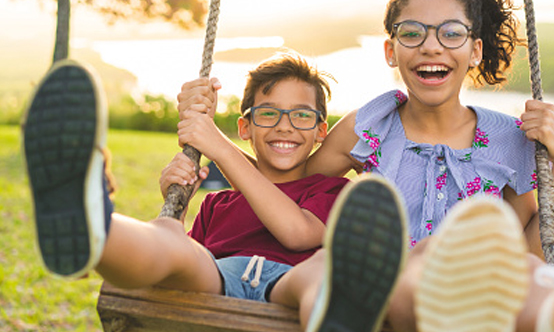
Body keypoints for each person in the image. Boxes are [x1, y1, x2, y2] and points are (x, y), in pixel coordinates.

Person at [179, 0, 554, 332]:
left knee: (523, 261)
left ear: (474, 50)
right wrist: (200, 156)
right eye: (412, 33)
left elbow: (534, 237)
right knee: (413, 280)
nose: (431, 46)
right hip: (398, 289)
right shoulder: (370, 125)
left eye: (450, 34)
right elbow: (291, 179)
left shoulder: (514, 140)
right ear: (391, 50)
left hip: (484, 286)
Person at [22, 54, 407, 329]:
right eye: (268, 113)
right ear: (245, 128)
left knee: (326, 270)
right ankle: (95, 227)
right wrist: (177, 204)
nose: (285, 126)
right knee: (171, 239)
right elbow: (183, 265)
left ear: (321, 132)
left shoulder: (333, 190)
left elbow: (298, 232)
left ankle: (334, 315)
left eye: (302, 115)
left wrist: (214, 142)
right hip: (218, 279)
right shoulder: (218, 202)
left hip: (290, 283)